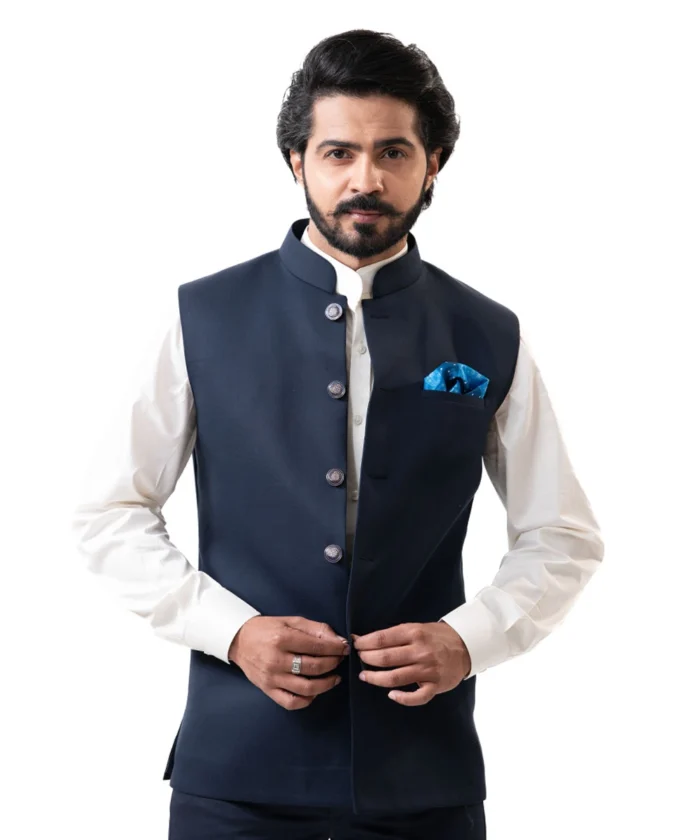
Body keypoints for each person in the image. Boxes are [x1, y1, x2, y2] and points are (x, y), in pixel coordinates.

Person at [72, 28, 604, 840]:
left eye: (393, 152)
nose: (366, 179)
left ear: (433, 164)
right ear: (297, 162)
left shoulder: (488, 332)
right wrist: (232, 633)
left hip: (422, 782)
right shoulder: (203, 317)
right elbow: (109, 512)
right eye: (338, 153)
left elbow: (562, 534)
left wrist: (470, 640)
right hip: (235, 777)